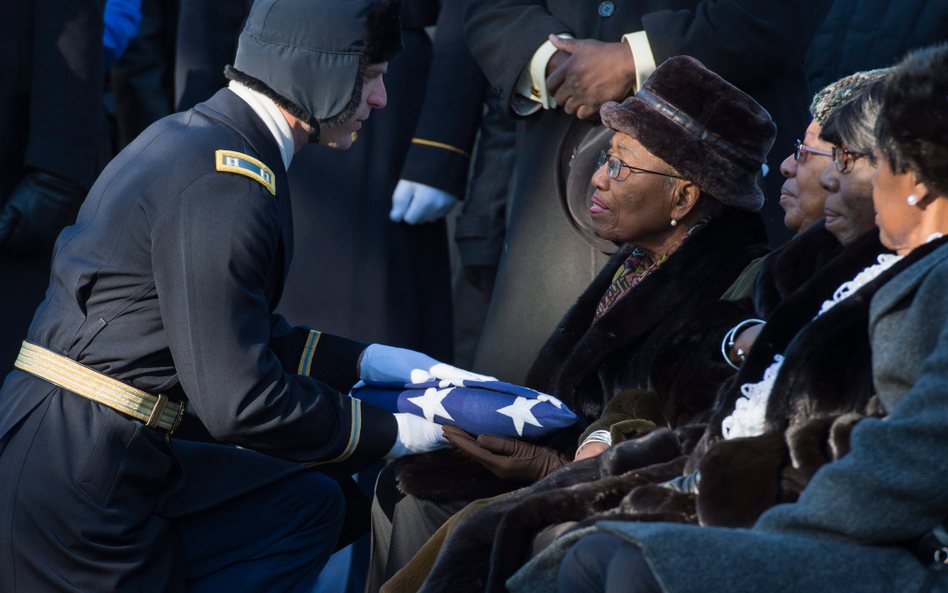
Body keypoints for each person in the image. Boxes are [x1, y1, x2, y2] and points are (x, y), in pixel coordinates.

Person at [0, 1, 467, 590]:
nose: (379, 100)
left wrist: (370, 362)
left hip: (90, 448)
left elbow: (238, 332)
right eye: (370, 77)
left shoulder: (201, 139)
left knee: (313, 504)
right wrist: (395, 433)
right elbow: (241, 401)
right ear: (318, 72)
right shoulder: (227, 183)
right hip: (81, 485)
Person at [527, 42, 948, 593]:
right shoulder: (842, 259)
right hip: (770, 482)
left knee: (616, 559)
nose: (835, 180)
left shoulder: (931, 275)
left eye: (849, 161)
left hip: (879, 537)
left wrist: (750, 512)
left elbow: (909, 453)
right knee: (566, 545)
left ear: (913, 182)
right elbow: (709, 367)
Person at [370, 55, 774, 591]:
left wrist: (549, 470)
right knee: (401, 481)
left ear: (685, 195)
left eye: (621, 167)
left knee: (434, 506)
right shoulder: (642, 255)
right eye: (606, 157)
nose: (598, 180)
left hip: (623, 483)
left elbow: (679, 431)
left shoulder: (739, 284)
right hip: (571, 456)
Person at [462, 0, 833, 385]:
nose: (601, 177)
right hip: (549, 185)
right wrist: (554, 64)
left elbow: (774, 17)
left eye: (617, 163)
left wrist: (634, 59)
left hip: (713, 199)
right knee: (513, 408)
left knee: (681, 400)